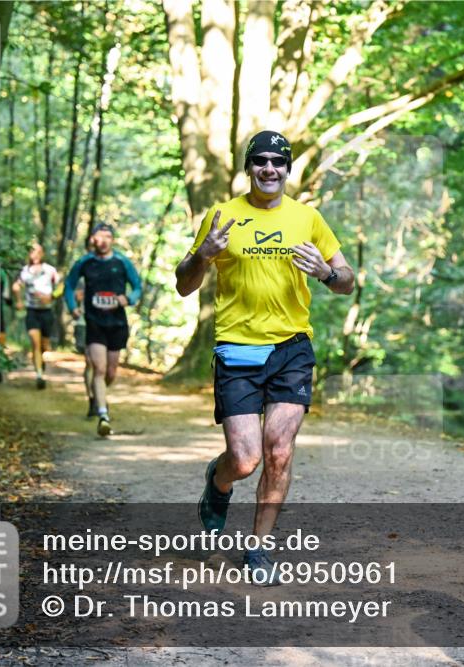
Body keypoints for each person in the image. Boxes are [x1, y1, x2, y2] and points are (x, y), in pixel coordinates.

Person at [174, 130, 355, 585]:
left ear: (288, 169)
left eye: (278, 161)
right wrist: (203, 255)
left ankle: (257, 548)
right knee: (246, 458)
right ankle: (218, 481)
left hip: (291, 348)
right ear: (248, 167)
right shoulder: (223, 216)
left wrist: (327, 273)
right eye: (260, 161)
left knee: (278, 451)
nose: (269, 169)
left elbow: (348, 279)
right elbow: (184, 283)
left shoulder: (308, 217)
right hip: (236, 348)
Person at [64, 222, 142, 437]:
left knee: (110, 372)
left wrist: (129, 298)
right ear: (93, 239)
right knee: (98, 368)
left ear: (112, 240)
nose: (103, 240)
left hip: (117, 323)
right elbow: (69, 286)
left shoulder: (121, 262)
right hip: (94, 322)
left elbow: (137, 285)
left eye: (107, 236)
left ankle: (97, 396)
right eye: (99, 237)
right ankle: (103, 415)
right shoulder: (85, 262)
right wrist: (73, 308)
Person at [13, 243, 60, 390]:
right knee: (35, 342)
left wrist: (51, 296)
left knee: (44, 345)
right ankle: (39, 375)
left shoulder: (50, 270)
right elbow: (16, 286)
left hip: (46, 312)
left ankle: (40, 360)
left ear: (42, 254)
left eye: (38, 252)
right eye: (32, 252)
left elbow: (61, 287)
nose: (35, 255)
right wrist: (19, 300)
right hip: (32, 311)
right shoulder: (25, 271)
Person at [74, 236, 98, 417]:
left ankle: (99, 396)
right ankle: (92, 400)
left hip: (108, 324)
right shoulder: (82, 269)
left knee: (104, 367)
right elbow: (75, 294)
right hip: (85, 323)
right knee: (91, 363)